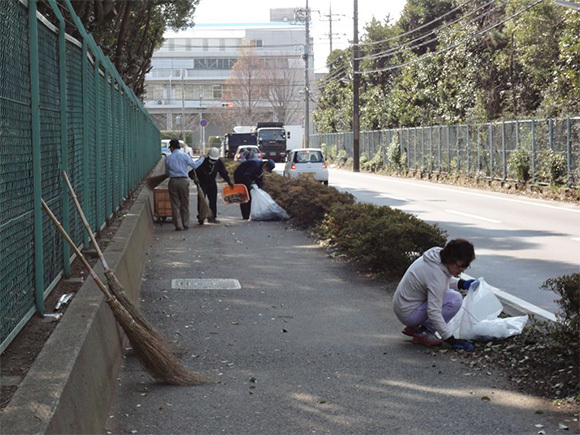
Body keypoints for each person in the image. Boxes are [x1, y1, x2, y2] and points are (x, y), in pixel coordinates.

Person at [393, 238, 477, 351]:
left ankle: (415, 328)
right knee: (455, 299)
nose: (462, 270)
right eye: (460, 266)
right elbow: (434, 311)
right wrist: (450, 339)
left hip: (404, 306)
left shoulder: (436, 257)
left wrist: (461, 284)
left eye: (466, 266)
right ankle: (423, 332)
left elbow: (437, 283)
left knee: (449, 294)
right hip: (409, 313)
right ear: (451, 259)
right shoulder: (436, 274)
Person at [165, 139, 204, 231]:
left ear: (172, 147)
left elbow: (167, 172)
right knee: (185, 203)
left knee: (175, 204)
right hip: (184, 181)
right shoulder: (185, 156)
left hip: (173, 181)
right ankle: (185, 223)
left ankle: (178, 225)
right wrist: (202, 158)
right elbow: (194, 165)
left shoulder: (168, 158)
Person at [189, 147, 233, 224]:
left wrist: (229, 181)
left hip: (212, 183)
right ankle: (201, 216)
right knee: (201, 201)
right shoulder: (202, 161)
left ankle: (212, 217)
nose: (213, 161)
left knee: (213, 200)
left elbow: (223, 173)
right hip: (202, 183)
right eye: (212, 160)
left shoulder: (218, 162)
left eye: (214, 160)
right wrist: (194, 178)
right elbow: (191, 172)